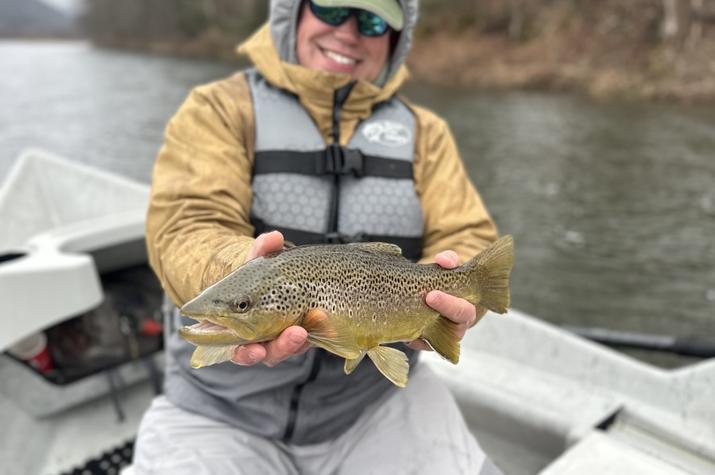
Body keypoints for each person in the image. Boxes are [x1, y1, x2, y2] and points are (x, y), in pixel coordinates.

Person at [134, 0, 503, 473]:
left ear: (396, 36)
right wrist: (240, 273)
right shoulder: (218, 108)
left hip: (374, 402)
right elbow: (186, 224)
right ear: (294, 12)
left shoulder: (426, 134)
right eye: (331, 9)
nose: (348, 32)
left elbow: (466, 231)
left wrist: (456, 300)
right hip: (219, 411)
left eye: (372, 20)